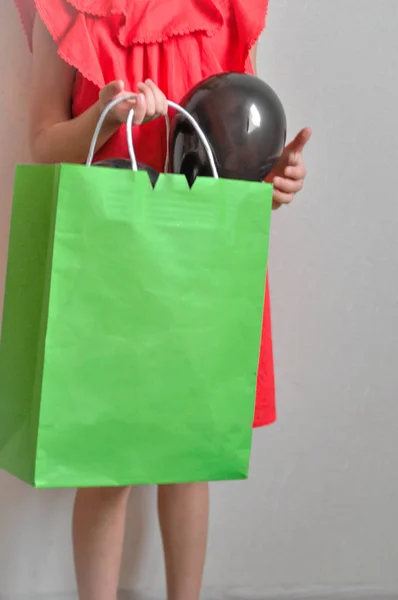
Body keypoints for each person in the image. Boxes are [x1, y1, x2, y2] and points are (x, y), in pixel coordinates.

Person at [14, 1, 311, 599]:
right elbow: (44, 145)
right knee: (107, 462)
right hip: (109, 264)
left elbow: (238, 152)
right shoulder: (70, 8)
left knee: (190, 456)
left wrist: (277, 180)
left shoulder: (224, 9)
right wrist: (102, 116)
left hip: (201, 265)